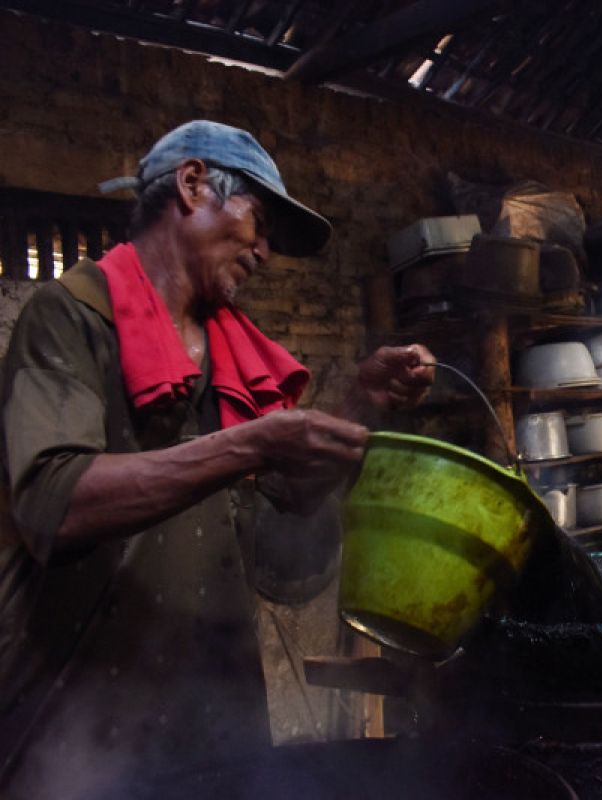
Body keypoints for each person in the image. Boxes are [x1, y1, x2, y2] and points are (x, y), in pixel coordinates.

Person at [0, 120, 435, 798]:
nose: (265, 252)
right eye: (259, 223)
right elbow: (53, 502)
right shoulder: (69, 318)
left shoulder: (235, 360)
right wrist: (250, 445)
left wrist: (359, 403)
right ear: (194, 184)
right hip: (80, 728)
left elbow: (281, 558)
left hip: (211, 719)